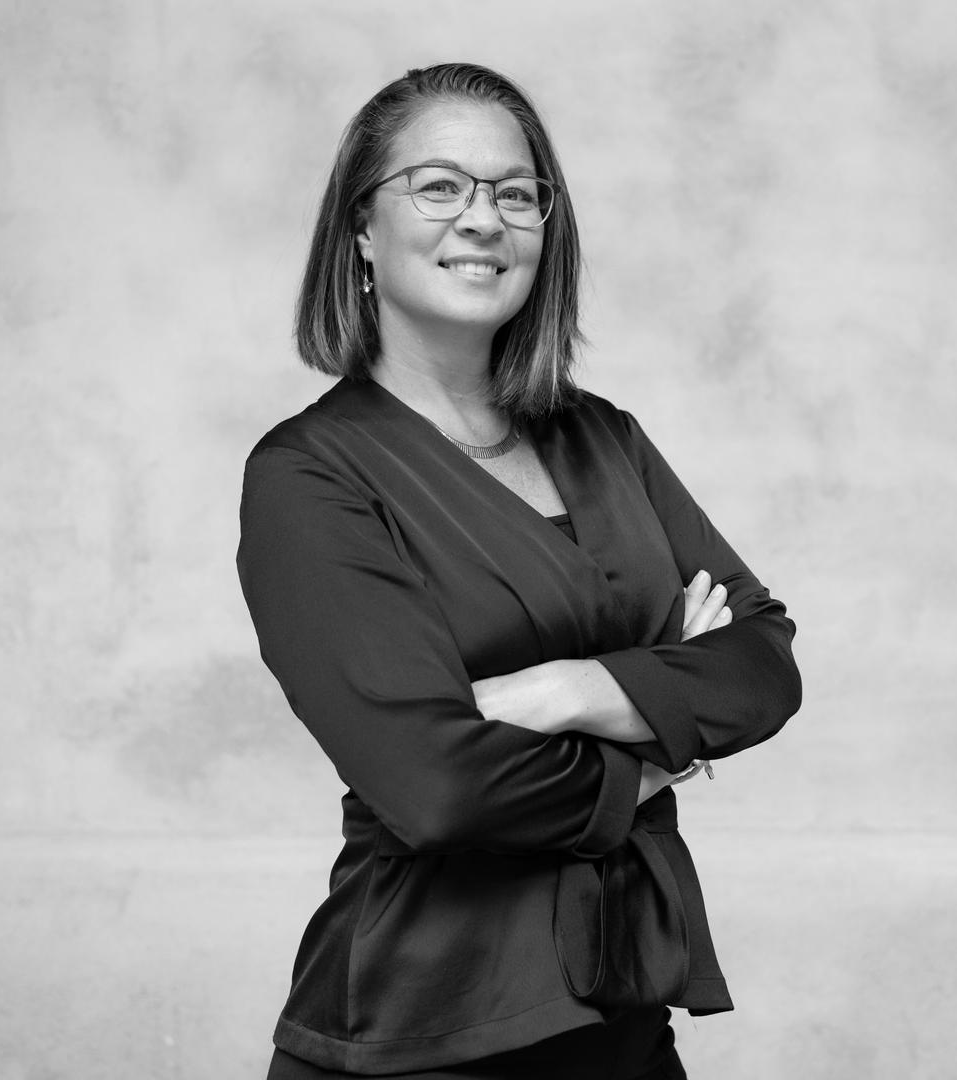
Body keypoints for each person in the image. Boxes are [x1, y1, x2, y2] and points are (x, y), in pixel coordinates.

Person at [237, 62, 801, 1080]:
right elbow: (439, 787)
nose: (482, 218)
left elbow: (762, 664)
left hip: (623, 1012)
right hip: (425, 1033)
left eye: (515, 191)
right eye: (439, 186)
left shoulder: (604, 438)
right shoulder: (311, 475)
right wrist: (660, 747)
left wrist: (565, 689)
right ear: (361, 226)